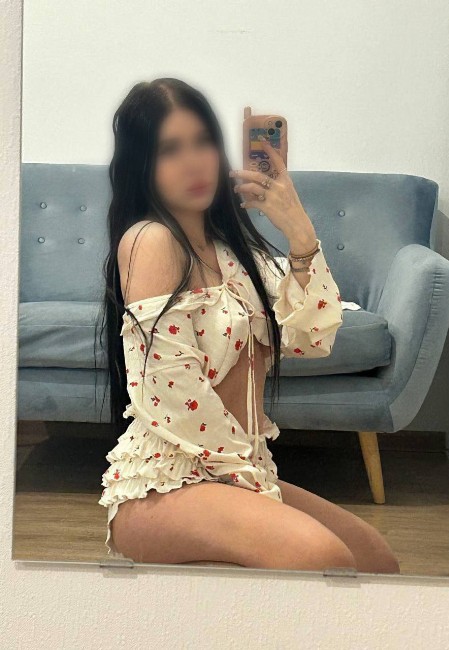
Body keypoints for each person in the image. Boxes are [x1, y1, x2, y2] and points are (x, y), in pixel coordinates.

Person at [97, 77, 400, 574]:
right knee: (325, 557)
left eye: (202, 141)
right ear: (142, 165)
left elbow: (312, 336)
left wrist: (299, 230)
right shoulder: (150, 240)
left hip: (238, 470)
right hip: (169, 480)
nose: (193, 162)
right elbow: (170, 393)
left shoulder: (236, 253)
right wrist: (252, 485)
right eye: (170, 149)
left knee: (376, 561)